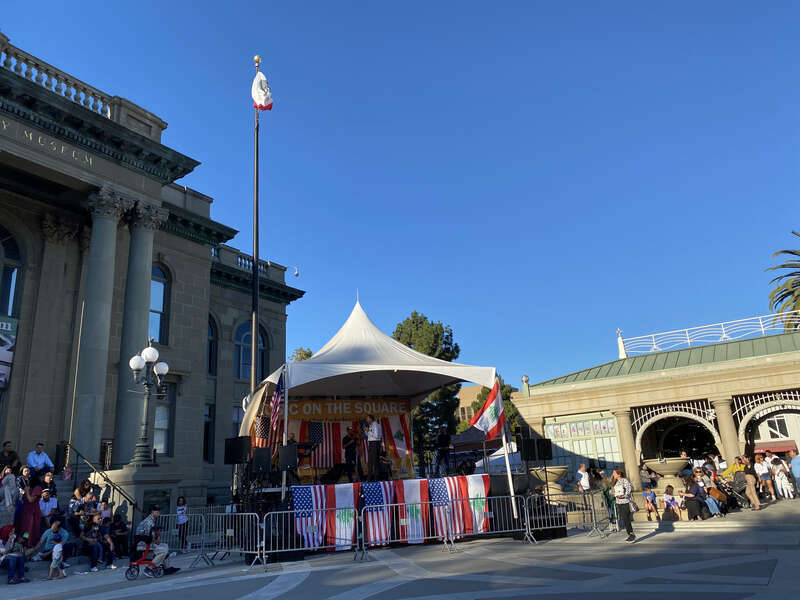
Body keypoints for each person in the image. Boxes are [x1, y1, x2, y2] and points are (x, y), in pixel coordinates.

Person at [134, 505, 171, 574]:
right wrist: (155, 540)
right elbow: (147, 535)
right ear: (152, 512)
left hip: (146, 542)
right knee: (163, 551)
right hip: (143, 544)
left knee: (165, 546)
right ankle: (149, 568)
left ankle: (165, 566)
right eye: (157, 511)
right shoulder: (148, 521)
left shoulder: (151, 520)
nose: (159, 513)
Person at [14, 474, 42, 548]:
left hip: (33, 511)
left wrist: (26, 491)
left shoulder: (37, 488)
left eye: (29, 479)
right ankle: (24, 542)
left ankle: (29, 543)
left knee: (30, 528)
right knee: (24, 528)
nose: (28, 481)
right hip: (25, 511)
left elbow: (31, 500)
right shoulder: (30, 488)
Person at [611, 468, 635, 543]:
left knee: (626, 517)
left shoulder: (624, 480)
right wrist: (612, 492)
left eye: (614, 473)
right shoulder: (615, 482)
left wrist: (624, 495)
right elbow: (613, 492)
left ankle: (631, 534)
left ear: (619, 474)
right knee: (624, 518)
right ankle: (630, 534)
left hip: (625, 501)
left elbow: (629, 489)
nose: (613, 474)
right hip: (618, 502)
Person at [363, 415, 381, 481]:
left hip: (375, 443)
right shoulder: (371, 425)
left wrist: (369, 431)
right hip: (371, 444)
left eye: (367, 418)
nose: (366, 420)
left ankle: (376, 478)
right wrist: (366, 430)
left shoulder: (376, 425)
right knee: (370, 462)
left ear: (371, 419)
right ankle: (369, 478)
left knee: (375, 462)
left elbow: (376, 436)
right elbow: (368, 435)